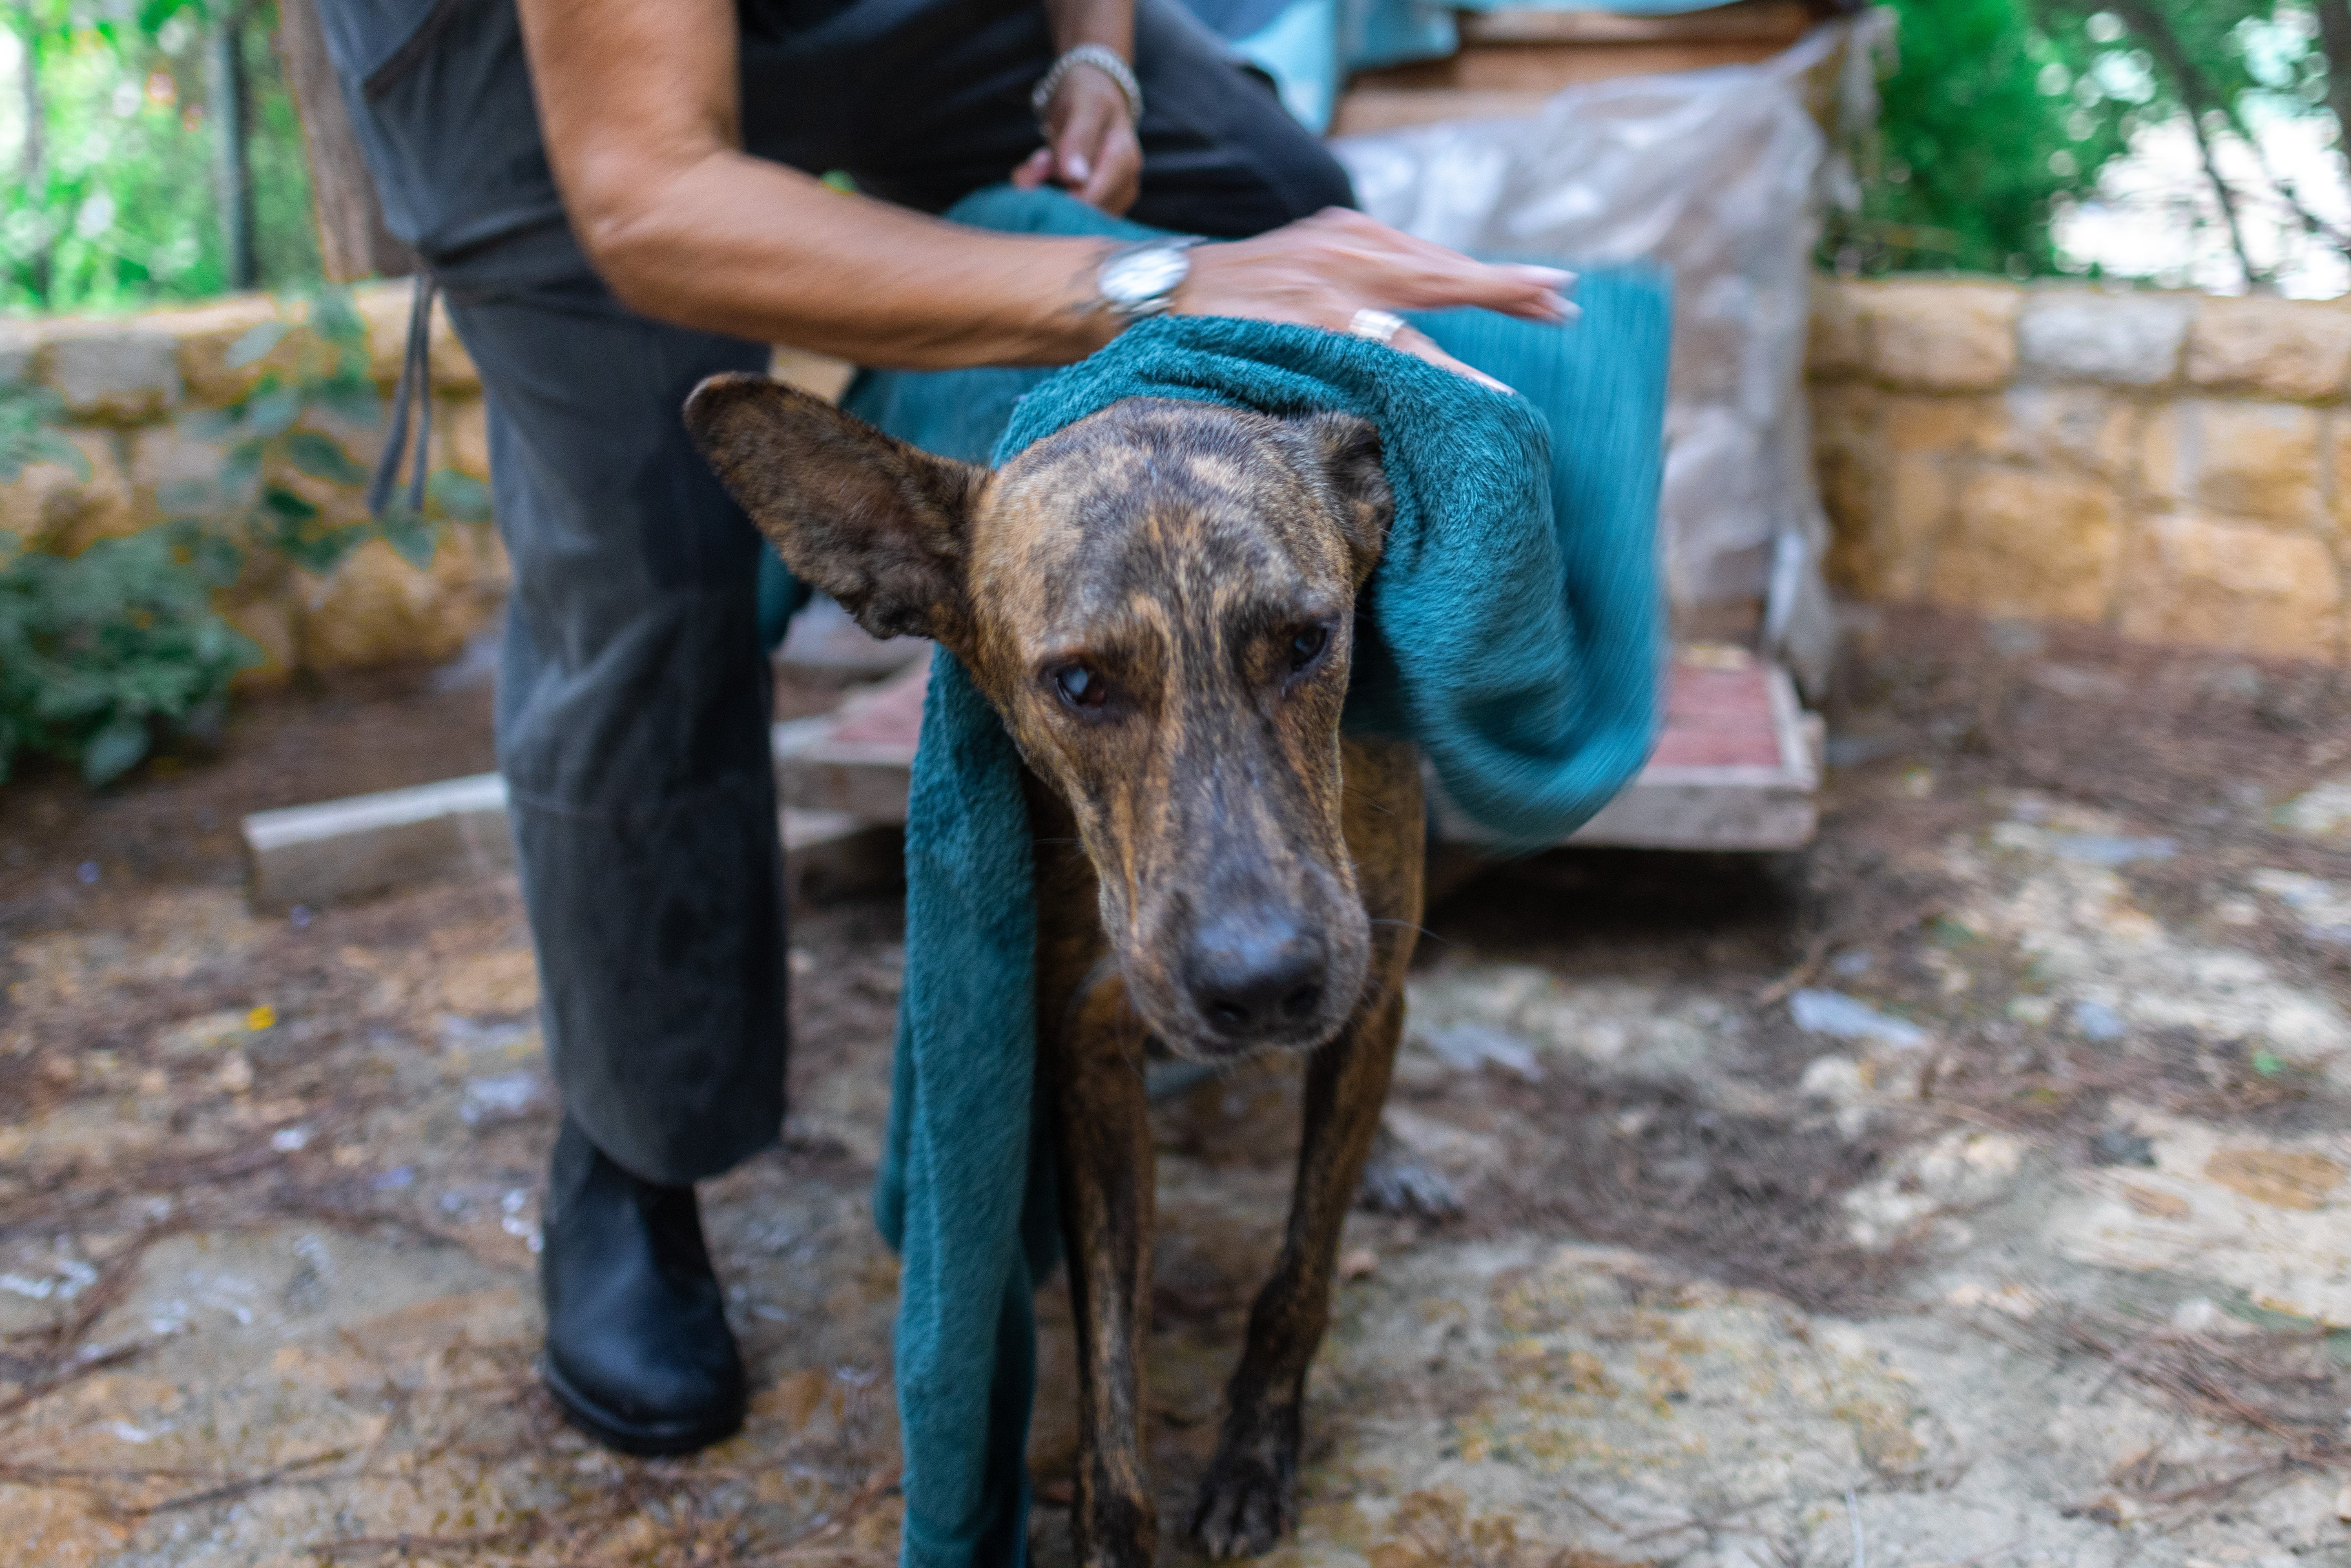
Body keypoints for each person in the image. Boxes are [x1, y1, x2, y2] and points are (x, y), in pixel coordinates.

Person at [311, 0, 1570, 1458]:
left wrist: (1096, 59)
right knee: (648, 570)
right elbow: (651, 196)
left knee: (1266, 192)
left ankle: (1297, 852)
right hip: (549, 83)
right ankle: (630, 1138)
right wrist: (1146, 279)